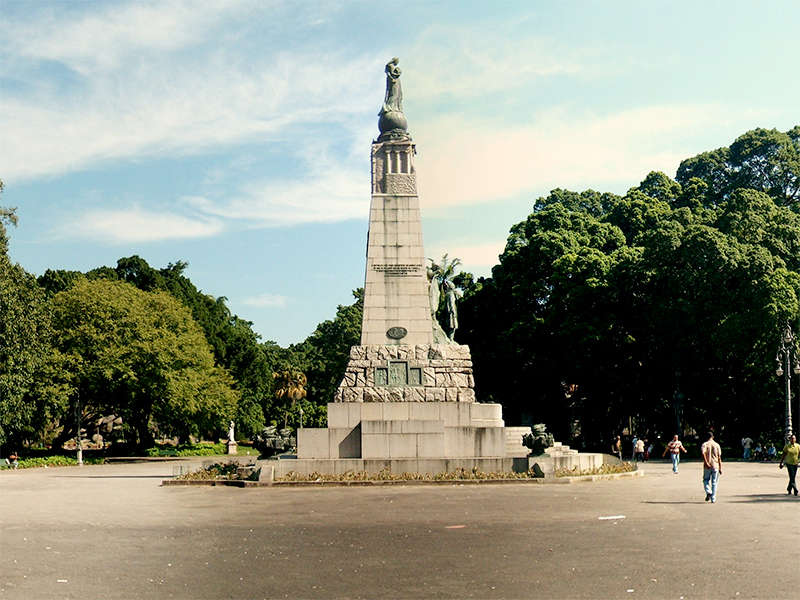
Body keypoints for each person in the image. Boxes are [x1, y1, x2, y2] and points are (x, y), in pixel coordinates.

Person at [701, 431, 723, 503]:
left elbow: (703, 453)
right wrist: (720, 467)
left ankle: (708, 491)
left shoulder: (705, 444)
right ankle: (713, 498)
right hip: (715, 465)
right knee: (714, 482)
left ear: (706, 437)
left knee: (705, 479)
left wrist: (706, 462)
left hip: (707, 465)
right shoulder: (717, 445)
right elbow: (719, 457)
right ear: (713, 437)